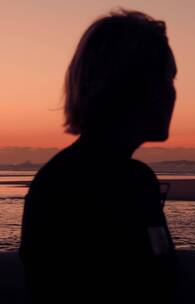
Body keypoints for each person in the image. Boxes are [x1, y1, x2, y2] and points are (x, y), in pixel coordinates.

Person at [19, 10, 178, 303]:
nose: (172, 94)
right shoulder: (72, 186)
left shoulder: (135, 180)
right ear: (128, 85)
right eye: (166, 79)